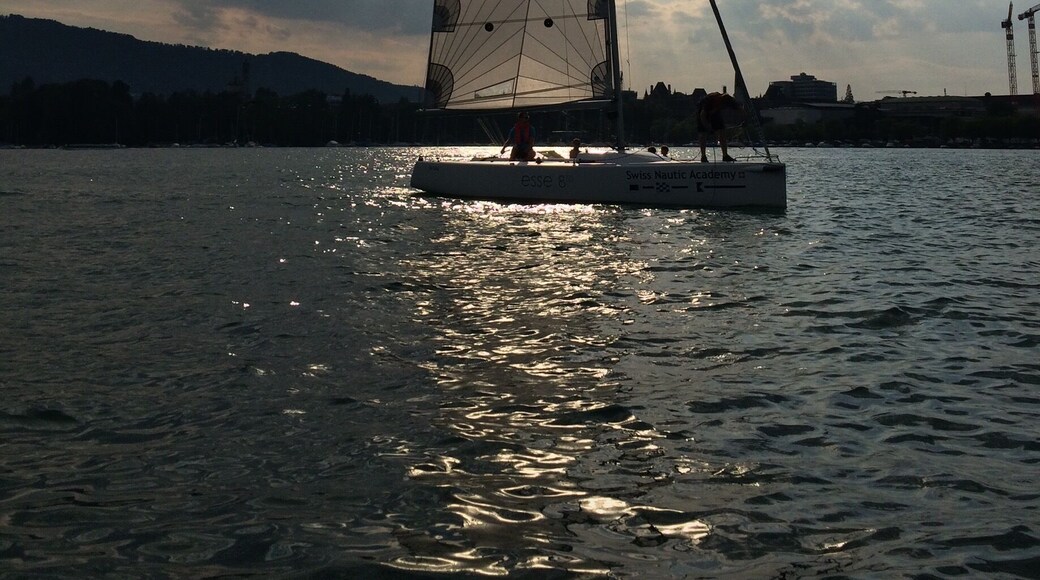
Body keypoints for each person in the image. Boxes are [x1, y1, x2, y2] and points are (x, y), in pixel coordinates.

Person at [697, 92, 742, 162]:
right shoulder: (711, 101)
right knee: (702, 134)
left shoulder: (730, 101)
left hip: (715, 112)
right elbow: (702, 115)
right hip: (703, 112)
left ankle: (725, 155)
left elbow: (740, 110)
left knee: (722, 131)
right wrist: (708, 127)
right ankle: (703, 156)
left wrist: (745, 120)